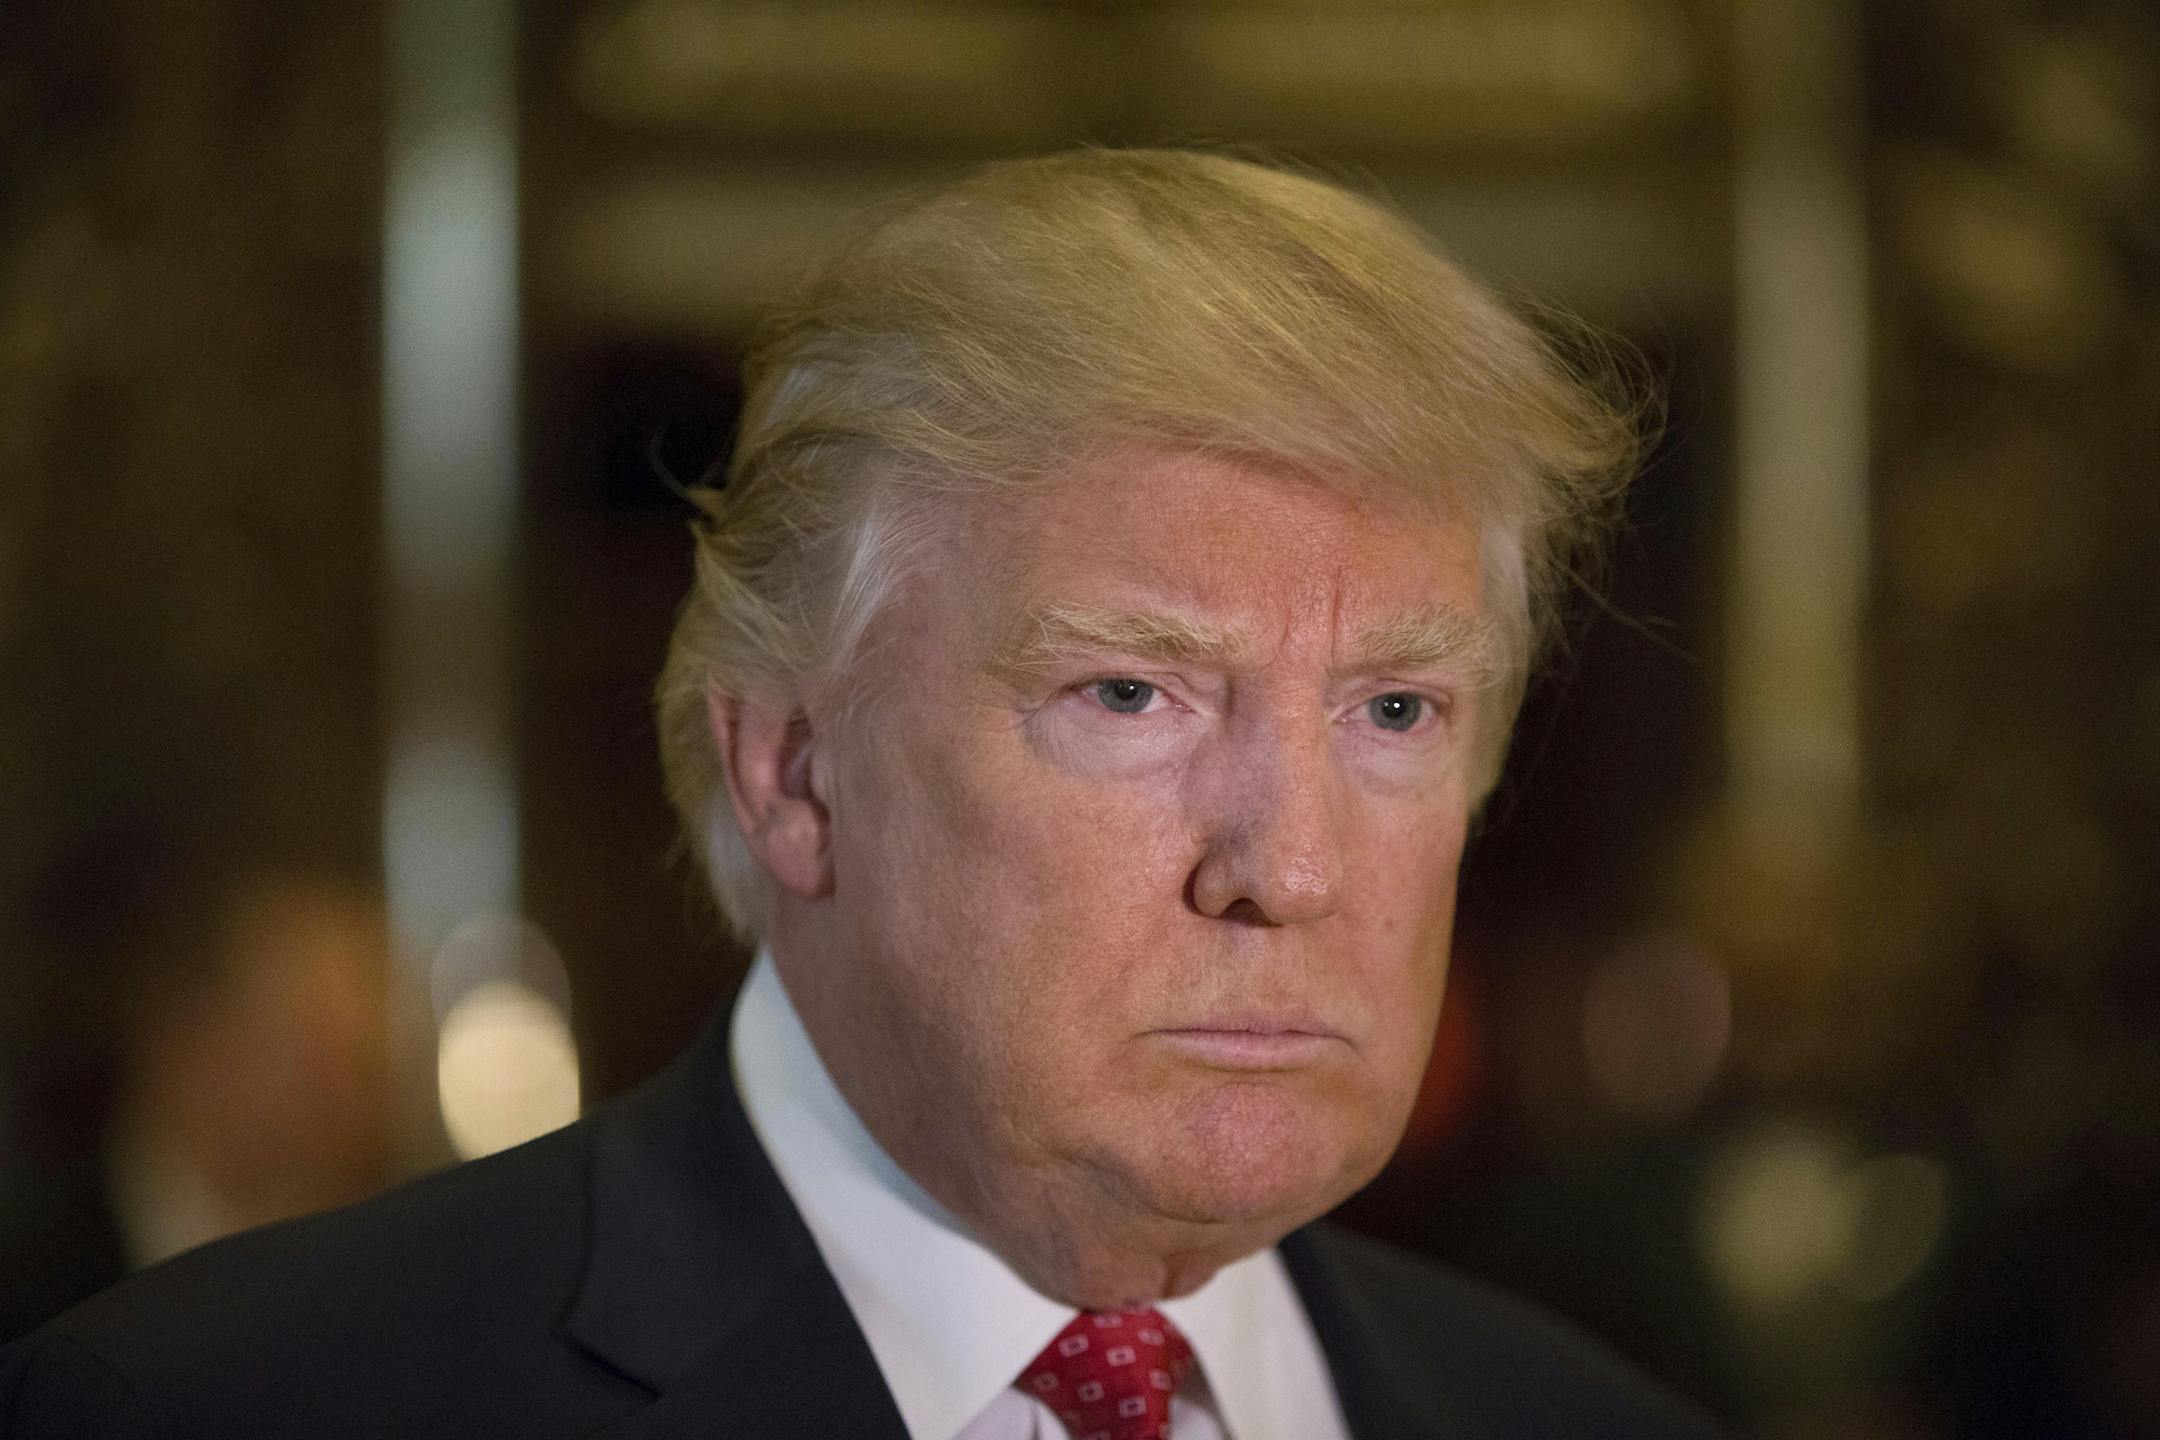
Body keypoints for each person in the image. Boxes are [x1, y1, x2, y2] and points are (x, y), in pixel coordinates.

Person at [1, 149, 1716, 1438]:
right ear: (794, 771)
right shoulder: (222, 1408)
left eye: (1395, 708)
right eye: (1130, 693)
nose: (1288, 867)